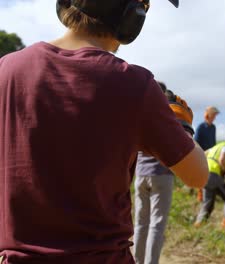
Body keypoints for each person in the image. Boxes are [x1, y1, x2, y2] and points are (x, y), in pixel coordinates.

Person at [0, 0, 209, 263]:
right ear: (132, 17)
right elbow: (198, 175)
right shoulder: (135, 85)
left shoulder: (6, 69)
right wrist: (182, 126)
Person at [133, 83, 194, 264]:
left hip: (140, 175)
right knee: (157, 226)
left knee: (140, 224)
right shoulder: (168, 116)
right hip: (161, 175)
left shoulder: (141, 113)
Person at [194, 132, 225, 230]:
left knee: (208, 202)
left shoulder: (217, 146)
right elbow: (222, 160)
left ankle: (199, 225)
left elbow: (203, 154)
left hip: (204, 174)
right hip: (213, 174)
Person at [193, 106, 220, 201]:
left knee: (210, 175)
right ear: (208, 115)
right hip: (202, 154)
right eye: (213, 115)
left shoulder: (213, 128)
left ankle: (209, 195)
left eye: (215, 115)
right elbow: (195, 142)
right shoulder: (200, 127)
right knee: (201, 175)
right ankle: (200, 196)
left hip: (211, 156)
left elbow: (213, 142)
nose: (215, 117)